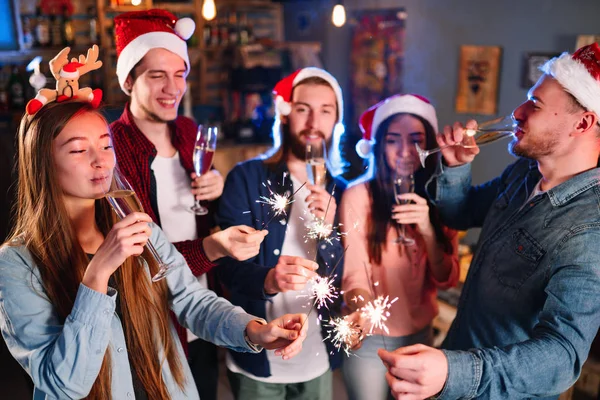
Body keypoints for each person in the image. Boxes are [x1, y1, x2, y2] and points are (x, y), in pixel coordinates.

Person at [0, 98, 308, 400]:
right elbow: (64, 385)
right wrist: (97, 276)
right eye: (79, 150)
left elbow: (193, 303)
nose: (101, 160)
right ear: (42, 162)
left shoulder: (138, 228)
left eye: (107, 145)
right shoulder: (16, 264)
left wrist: (256, 331)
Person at [378, 43, 600, 400]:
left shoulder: (591, 228)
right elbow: (460, 213)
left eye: (536, 104)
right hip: (456, 353)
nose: (519, 110)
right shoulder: (525, 172)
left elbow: (563, 355)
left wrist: (455, 372)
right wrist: (454, 165)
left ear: (583, 122)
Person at [108, 10, 267, 399]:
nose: (172, 88)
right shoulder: (113, 148)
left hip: (202, 313)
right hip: (150, 322)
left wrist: (216, 191)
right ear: (128, 80)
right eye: (156, 75)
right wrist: (216, 245)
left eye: (180, 74)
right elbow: (142, 259)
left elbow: (203, 218)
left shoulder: (188, 131)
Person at [216, 67, 348, 400]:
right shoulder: (246, 178)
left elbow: (349, 277)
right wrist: (269, 280)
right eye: (303, 109)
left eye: (325, 111)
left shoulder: (343, 191)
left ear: (336, 121)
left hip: (317, 355)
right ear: (287, 115)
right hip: (257, 356)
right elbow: (225, 267)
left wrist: (331, 232)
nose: (314, 122)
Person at [340, 94, 459, 400]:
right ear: (379, 145)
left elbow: (447, 278)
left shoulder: (444, 199)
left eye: (417, 140)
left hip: (420, 337)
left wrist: (428, 230)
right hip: (370, 339)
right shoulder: (358, 198)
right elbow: (354, 275)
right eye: (393, 140)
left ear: (430, 145)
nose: (406, 151)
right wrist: (362, 310)